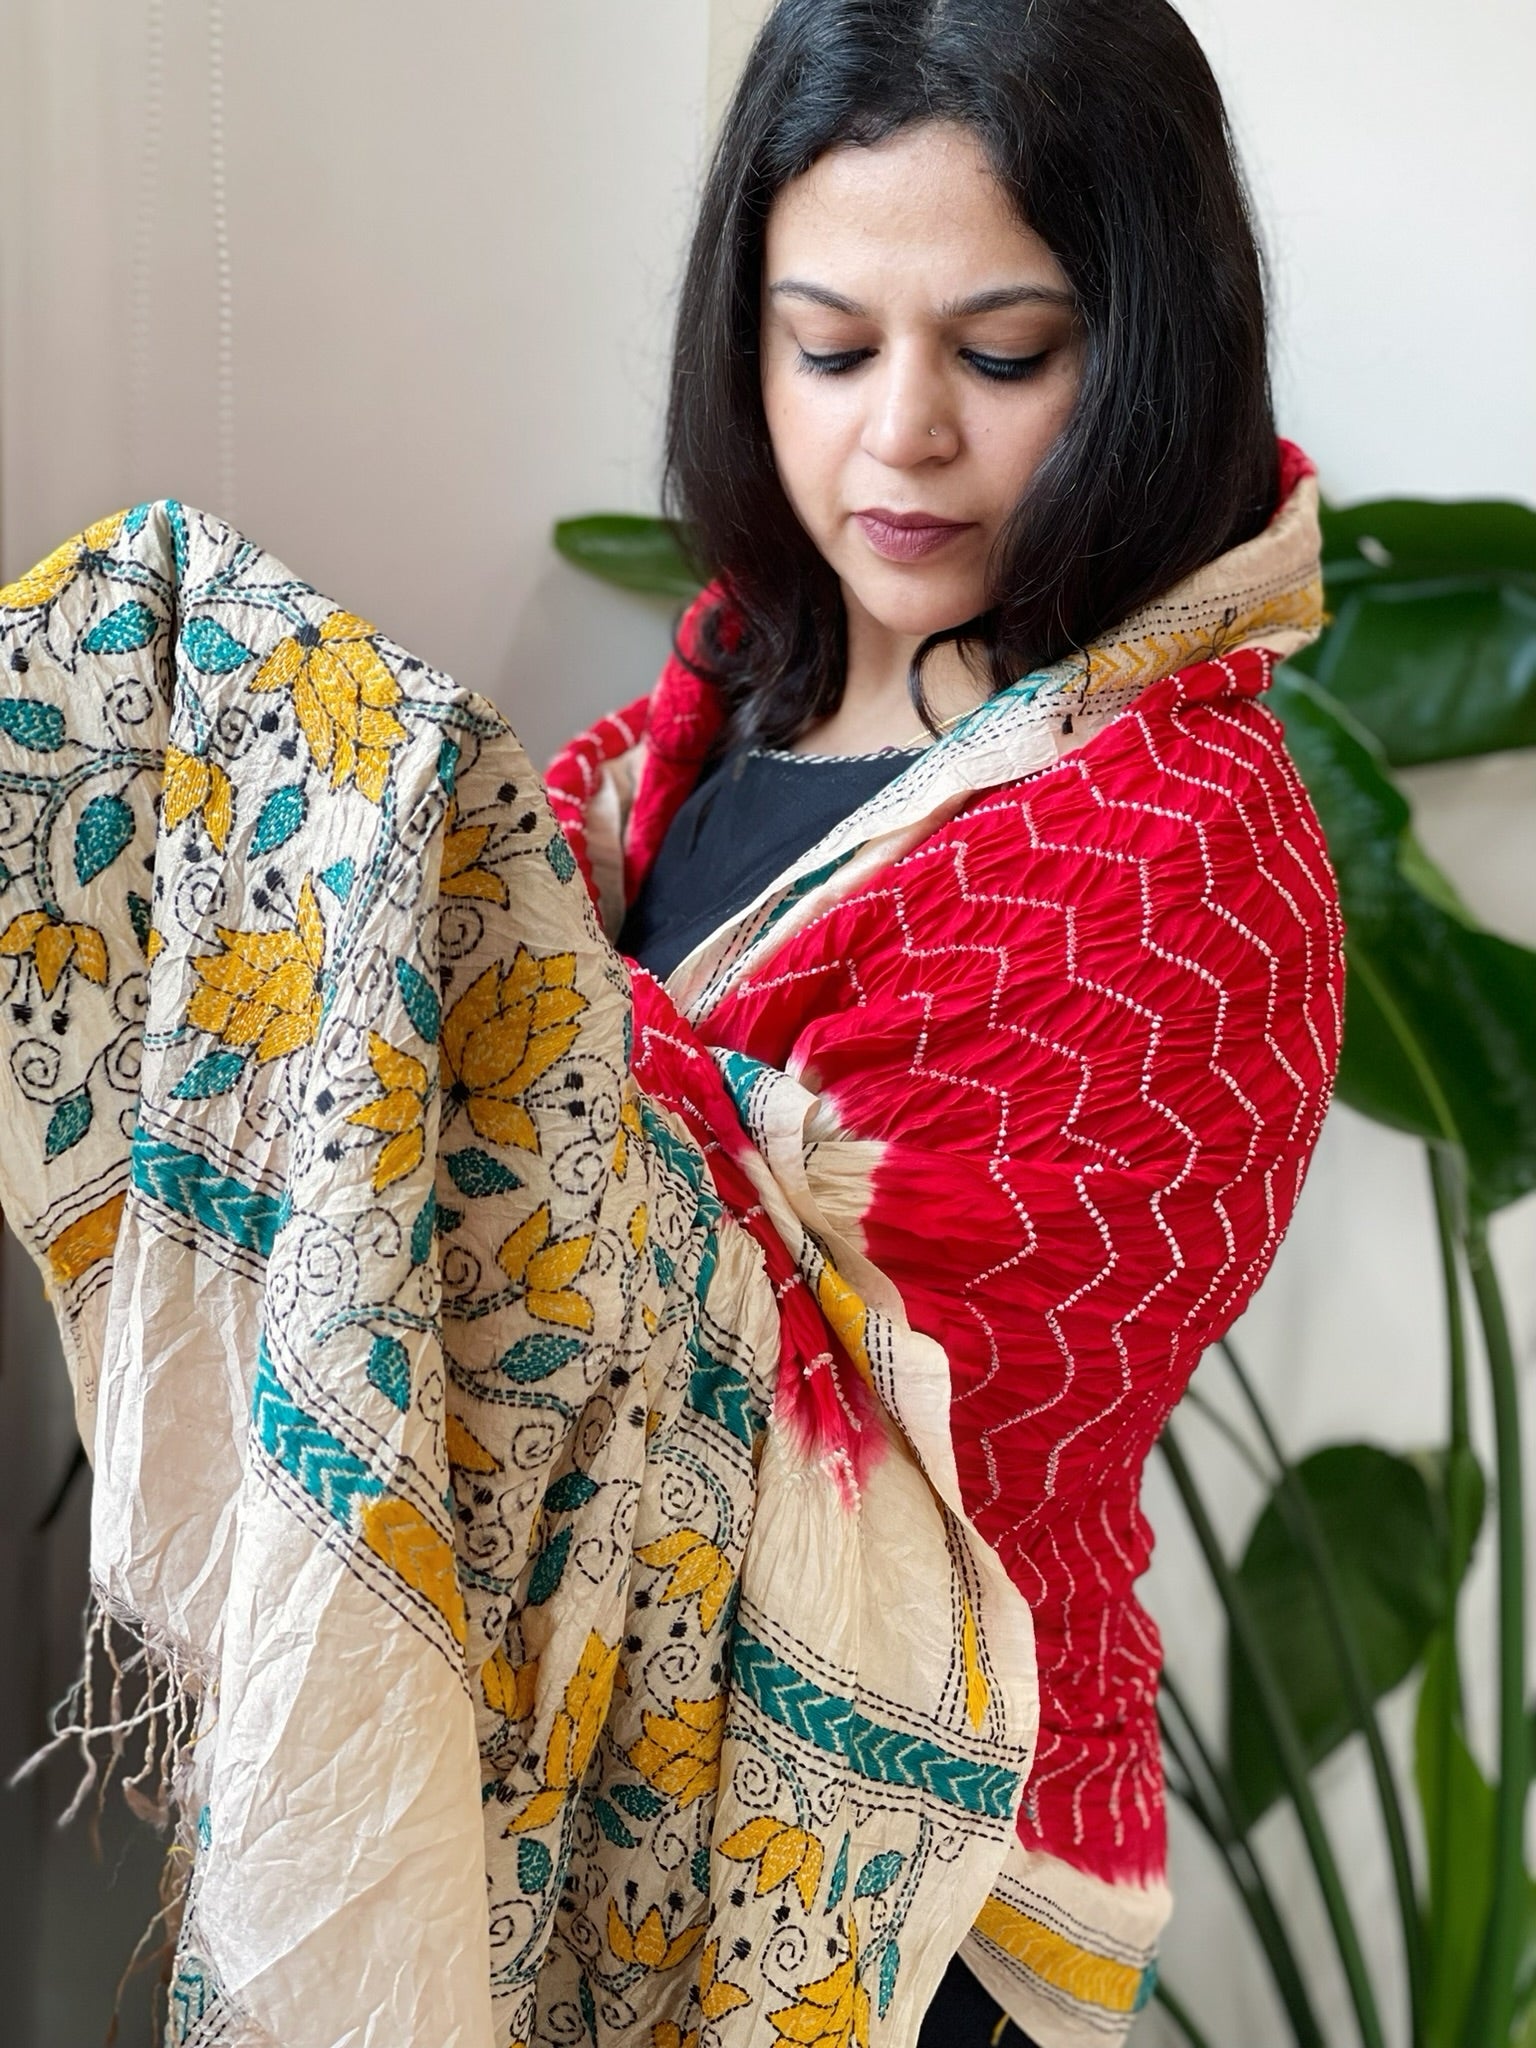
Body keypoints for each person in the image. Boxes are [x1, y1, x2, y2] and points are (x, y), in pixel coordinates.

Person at [543, 0, 1342, 2041]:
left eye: (1003, 355)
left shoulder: (1175, 853)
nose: (900, 433)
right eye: (827, 348)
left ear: (1148, 348)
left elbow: (904, 1407)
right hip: (580, 1778)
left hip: (914, 1860)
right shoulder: (737, 678)